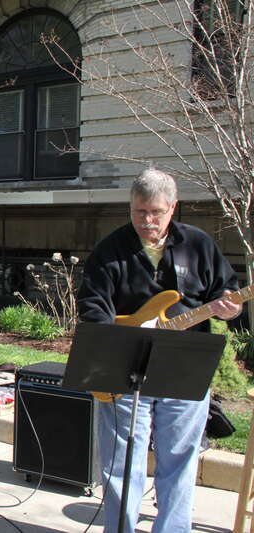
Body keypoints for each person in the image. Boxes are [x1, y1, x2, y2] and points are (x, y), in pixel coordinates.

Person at [78, 168, 241, 533]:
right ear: (130, 207)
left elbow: (226, 292)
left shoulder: (199, 244)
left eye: (156, 212)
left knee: (180, 459)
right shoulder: (110, 250)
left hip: (184, 365)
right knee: (121, 461)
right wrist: (113, 343)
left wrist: (232, 307)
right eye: (139, 212)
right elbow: (93, 307)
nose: (148, 220)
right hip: (125, 365)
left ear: (173, 208)